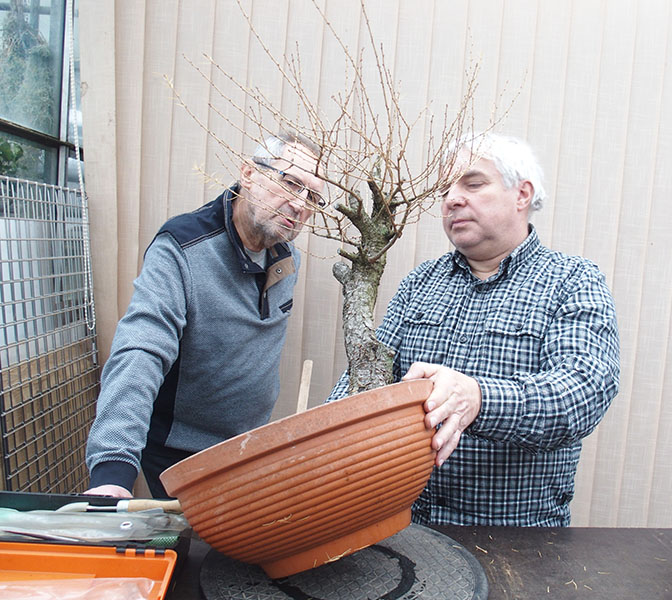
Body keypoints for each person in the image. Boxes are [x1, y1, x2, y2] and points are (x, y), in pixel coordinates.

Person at [327, 132, 620, 526]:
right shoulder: (420, 283)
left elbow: (583, 393)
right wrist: (322, 437)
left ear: (522, 194)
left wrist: (478, 399)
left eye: (473, 183)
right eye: (444, 190)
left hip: (517, 537)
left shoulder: (571, 281)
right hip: (407, 528)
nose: (452, 199)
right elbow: (368, 376)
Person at [85, 130, 326, 499]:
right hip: (183, 451)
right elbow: (141, 350)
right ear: (249, 173)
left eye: (313, 196)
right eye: (291, 183)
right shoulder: (182, 247)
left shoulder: (286, 256)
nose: (300, 204)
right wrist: (112, 471)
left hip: (247, 446)